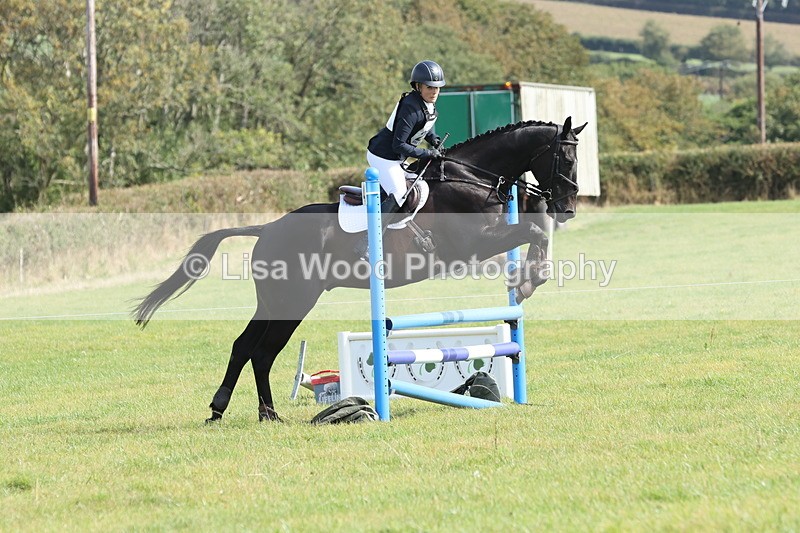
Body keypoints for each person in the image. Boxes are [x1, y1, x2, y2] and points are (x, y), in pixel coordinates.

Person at [356, 60, 445, 258]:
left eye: (437, 88)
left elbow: (425, 127)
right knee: (399, 192)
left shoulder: (426, 105)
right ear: (418, 86)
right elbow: (399, 145)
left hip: (396, 157)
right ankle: (367, 242)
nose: (434, 92)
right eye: (430, 87)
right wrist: (427, 153)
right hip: (383, 156)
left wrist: (433, 139)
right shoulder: (411, 109)